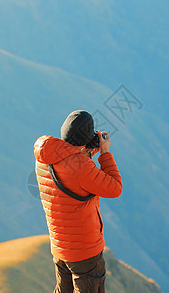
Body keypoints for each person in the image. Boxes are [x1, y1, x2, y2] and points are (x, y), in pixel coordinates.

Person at [33, 110, 123, 293]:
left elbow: (70, 165)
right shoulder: (82, 167)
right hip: (85, 252)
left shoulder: (44, 159)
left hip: (60, 248)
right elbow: (115, 188)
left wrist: (86, 151)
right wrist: (104, 153)